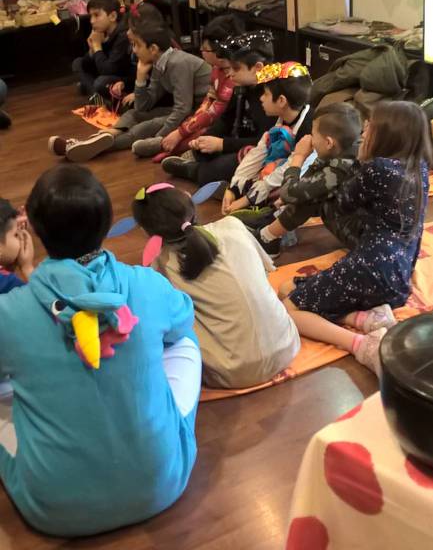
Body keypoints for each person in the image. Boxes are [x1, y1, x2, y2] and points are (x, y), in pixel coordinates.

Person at [0, 165, 201, 536]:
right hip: (162, 484)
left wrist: (27, 273)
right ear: (108, 224)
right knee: (186, 343)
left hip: (54, 510)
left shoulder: (9, 312)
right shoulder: (146, 282)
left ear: (38, 232)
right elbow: (182, 323)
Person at [277, 100, 432, 375]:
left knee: (289, 306)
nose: (363, 134)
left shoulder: (376, 169)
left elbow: (344, 203)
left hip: (371, 268)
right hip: (399, 277)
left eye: (369, 127)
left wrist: (311, 163)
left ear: (386, 134)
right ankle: (367, 318)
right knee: (290, 285)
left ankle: (360, 345)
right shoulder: (417, 166)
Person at [132, 183, 300, 389]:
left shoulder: (161, 264)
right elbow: (266, 271)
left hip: (231, 371)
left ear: (146, 231)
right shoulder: (233, 224)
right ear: (188, 201)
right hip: (287, 346)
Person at [48, 13, 211, 162]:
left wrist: (159, 136)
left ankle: (87, 145)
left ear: (153, 49)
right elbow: (143, 106)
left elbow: (183, 109)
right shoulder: (158, 63)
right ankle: (102, 137)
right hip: (187, 109)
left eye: (136, 45)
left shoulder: (178, 63)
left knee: (147, 126)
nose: (134, 50)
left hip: (201, 112)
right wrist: (140, 79)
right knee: (134, 113)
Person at [162, 30, 278, 185]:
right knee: (203, 149)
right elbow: (226, 119)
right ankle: (201, 163)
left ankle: (195, 171)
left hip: (257, 150)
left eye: (235, 69)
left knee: (220, 168)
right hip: (236, 141)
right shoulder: (241, 86)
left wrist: (221, 144)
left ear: (258, 68)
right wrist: (206, 139)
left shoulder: (269, 96)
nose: (229, 74)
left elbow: (264, 141)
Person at [251, 103, 362, 257]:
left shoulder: (341, 169)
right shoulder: (349, 150)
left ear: (329, 142)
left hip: (361, 239)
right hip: (359, 224)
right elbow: (306, 183)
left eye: (313, 134)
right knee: (307, 192)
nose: (310, 139)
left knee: (309, 196)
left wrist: (299, 157)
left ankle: (267, 237)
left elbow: (289, 192)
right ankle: (270, 233)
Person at [222, 61, 313, 217]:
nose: (261, 99)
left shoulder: (309, 127)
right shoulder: (279, 118)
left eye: (265, 94)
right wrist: (234, 187)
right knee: (246, 157)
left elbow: (290, 168)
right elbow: (258, 152)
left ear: (281, 101)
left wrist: (246, 200)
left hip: (299, 174)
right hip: (277, 168)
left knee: (284, 193)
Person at [152, 14, 241, 162]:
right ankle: (165, 146)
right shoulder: (217, 69)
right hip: (214, 122)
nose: (200, 50)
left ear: (219, 52)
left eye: (205, 48)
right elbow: (208, 101)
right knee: (187, 126)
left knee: (199, 139)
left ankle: (177, 152)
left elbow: (215, 112)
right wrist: (183, 130)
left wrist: (181, 133)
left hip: (227, 129)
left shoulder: (233, 77)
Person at [72, 0, 133, 100]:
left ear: (112, 16)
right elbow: (87, 65)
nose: (91, 21)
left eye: (96, 15)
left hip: (124, 78)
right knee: (78, 63)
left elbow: (108, 70)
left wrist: (97, 47)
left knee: (101, 82)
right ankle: (96, 95)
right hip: (107, 71)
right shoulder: (102, 31)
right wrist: (92, 50)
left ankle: (93, 93)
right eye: (91, 16)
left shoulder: (123, 35)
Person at [0, 199, 34, 291]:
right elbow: (50, 303)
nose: (20, 237)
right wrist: (27, 267)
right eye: (15, 234)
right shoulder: (9, 284)